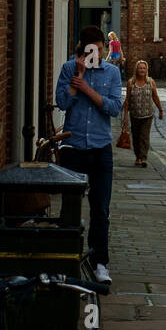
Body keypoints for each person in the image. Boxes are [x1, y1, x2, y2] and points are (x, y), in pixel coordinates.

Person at [55, 24, 123, 284]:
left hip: (100, 149)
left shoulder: (112, 73)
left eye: (99, 49)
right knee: (69, 208)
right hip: (73, 147)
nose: (95, 54)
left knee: (100, 209)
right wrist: (76, 82)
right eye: (90, 50)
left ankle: (100, 263)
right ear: (82, 50)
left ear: (104, 49)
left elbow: (114, 107)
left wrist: (86, 88)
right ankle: (66, 260)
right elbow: (62, 103)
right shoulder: (67, 69)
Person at [125, 59, 163, 166]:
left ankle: (143, 157)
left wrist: (160, 110)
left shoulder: (150, 82)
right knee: (136, 136)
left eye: (144, 68)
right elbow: (127, 100)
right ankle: (138, 157)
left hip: (148, 114)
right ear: (136, 69)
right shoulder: (130, 82)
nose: (142, 70)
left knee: (144, 136)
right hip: (134, 114)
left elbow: (155, 97)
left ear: (146, 70)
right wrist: (125, 117)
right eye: (140, 68)